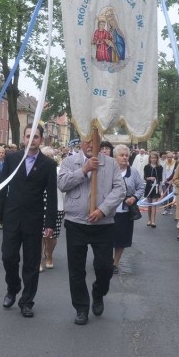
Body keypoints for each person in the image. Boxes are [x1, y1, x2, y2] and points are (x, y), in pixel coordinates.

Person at [0, 126, 58, 318]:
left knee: (31, 262)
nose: (32, 140)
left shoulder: (48, 165)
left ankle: (27, 301)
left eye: (35, 137)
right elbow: (1, 188)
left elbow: (52, 197)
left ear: (41, 140)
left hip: (34, 219)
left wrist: (50, 224)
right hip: (11, 217)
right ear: (24, 138)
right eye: (29, 136)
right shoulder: (12, 159)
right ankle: (13, 288)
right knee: (8, 256)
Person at [58, 137, 126, 325]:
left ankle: (99, 292)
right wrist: (84, 170)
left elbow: (120, 190)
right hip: (76, 223)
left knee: (104, 267)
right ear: (81, 143)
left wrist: (102, 210)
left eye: (94, 141)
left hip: (103, 224)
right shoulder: (70, 161)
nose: (90, 145)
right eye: (87, 141)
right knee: (76, 269)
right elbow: (62, 184)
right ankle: (81, 308)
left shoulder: (110, 163)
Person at [112, 145, 145, 274]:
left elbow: (141, 187)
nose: (125, 157)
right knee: (107, 237)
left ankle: (115, 263)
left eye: (126, 155)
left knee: (121, 239)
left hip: (125, 212)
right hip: (109, 211)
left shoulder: (133, 172)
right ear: (115, 157)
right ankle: (105, 259)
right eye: (122, 155)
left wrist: (134, 198)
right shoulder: (109, 171)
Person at [39, 146, 65, 272]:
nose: (47, 159)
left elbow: (64, 188)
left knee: (52, 235)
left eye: (50, 156)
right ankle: (38, 260)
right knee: (38, 234)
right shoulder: (36, 169)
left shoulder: (59, 171)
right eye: (45, 156)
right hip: (38, 205)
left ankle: (49, 254)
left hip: (56, 206)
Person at [143, 151, 163, 228]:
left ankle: (153, 221)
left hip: (156, 187)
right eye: (152, 158)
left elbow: (160, 178)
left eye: (155, 158)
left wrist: (160, 188)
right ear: (150, 159)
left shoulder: (159, 167)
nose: (153, 159)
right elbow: (145, 177)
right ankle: (149, 219)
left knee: (154, 204)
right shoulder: (146, 167)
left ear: (157, 159)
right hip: (148, 187)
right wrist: (149, 178)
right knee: (149, 204)